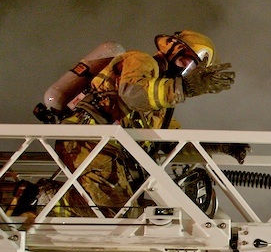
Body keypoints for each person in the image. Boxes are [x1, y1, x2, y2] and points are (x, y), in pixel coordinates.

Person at [48, 30, 243, 217]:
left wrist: (218, 146)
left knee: (127, 213)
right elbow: (133, 94)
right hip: (89, 138)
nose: (185, 71)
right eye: (186, 61)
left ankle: (45, 201)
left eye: (192, 70)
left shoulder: (160, 106)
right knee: (114, 212)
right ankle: (43, 198)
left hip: (108, 149)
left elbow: (172, 142)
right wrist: (182, 88)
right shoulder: (141, 60)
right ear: (173, 49)